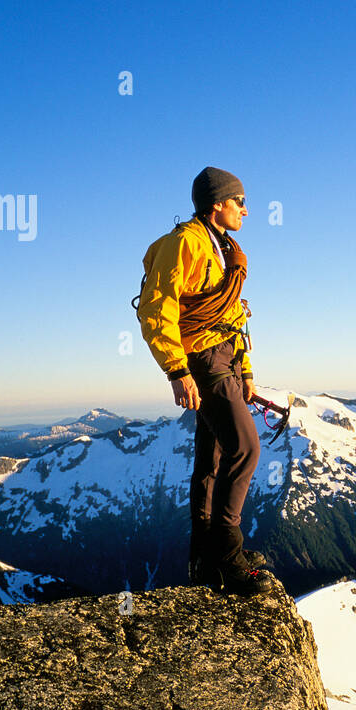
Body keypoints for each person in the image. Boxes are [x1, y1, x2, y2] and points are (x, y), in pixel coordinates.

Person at [136, 166, 274, 597]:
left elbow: (232, 315)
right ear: (218, 203)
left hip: (225, 359)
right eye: (240, 201)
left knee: (213, 460)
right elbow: (156, 310)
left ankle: (204, 558)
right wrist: (177, 370)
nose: (246, 211)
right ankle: (229, 560)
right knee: (245, 449)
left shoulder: (223, 247)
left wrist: (246, 372)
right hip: (203, 361)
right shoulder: (186, 244)